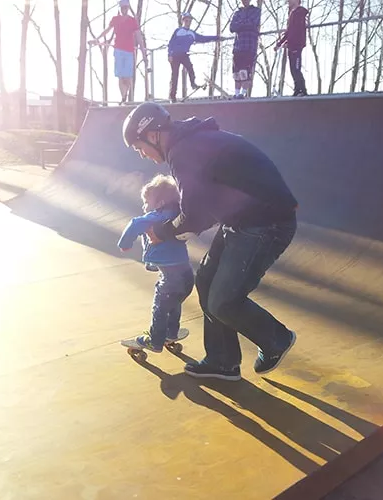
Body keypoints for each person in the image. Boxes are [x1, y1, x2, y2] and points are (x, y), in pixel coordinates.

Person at [122, 102, 298, 381]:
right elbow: (202, 203)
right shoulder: (190, 143)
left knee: (223, 302)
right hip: (243, 220)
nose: (142, 154)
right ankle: (222, 360)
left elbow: (195, 216)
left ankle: (276, 338)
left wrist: (163, 232)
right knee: (205, 280)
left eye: (139, 147)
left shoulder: (183, 151)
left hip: (266, 224)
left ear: (153, 135)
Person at [118, 174, 194, 352]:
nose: (144, 206)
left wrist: (125, 244)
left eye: (146, 202)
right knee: (175, 303)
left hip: (170, 277)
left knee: (159, 307)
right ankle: (171, 333)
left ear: (159, 203)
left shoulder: (154, 218)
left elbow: (134, 224)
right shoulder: (179, 216)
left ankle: (155, 340)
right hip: (187, 275)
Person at [93, 0, 149, 105]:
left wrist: (143, 53)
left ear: (128, 8)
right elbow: (107, 30)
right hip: (118, 50)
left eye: (126, 8)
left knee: (127, 77)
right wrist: (97, 39)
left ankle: (125, 94)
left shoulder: (132, 21)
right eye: (123, 8)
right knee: (120, 76)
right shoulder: (115, 19)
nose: (124, 10)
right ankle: (123, 97)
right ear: (120, 8)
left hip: (129, 51)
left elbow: (138, 37)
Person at [168, 12, 222, 103]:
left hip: (184, 54)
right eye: (186, 20)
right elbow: (171, 43)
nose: (188, 22)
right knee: (175, 75)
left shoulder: (192, 34)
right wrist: (169, 54)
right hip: (175, 55)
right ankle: (172, 96)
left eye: (189, 20)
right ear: (183, 21)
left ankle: (193, 83)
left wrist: (216, 37)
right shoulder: (178, 31)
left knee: (190, 67)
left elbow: (203, 38)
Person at [275, 0, 309, 97]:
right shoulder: (292, 14)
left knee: (296, 68)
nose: (288, 1)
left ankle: (302, 89)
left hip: (297, 45)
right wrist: (280, 43)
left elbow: (296, 30)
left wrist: (288, 40)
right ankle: (297, 89)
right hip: (291, 45)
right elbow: (289, 31)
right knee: (293, 69)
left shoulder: (300, 13)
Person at [229, 0, 261, 99]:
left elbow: (253, 23)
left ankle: (243, 93)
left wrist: (240, 24)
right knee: (236, 72)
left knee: (245, 72)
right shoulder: (237, 12)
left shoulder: (256, 11)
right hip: (238, 46)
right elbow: (232, 27)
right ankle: (237, 93)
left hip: (249, 45)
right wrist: (244, 24)